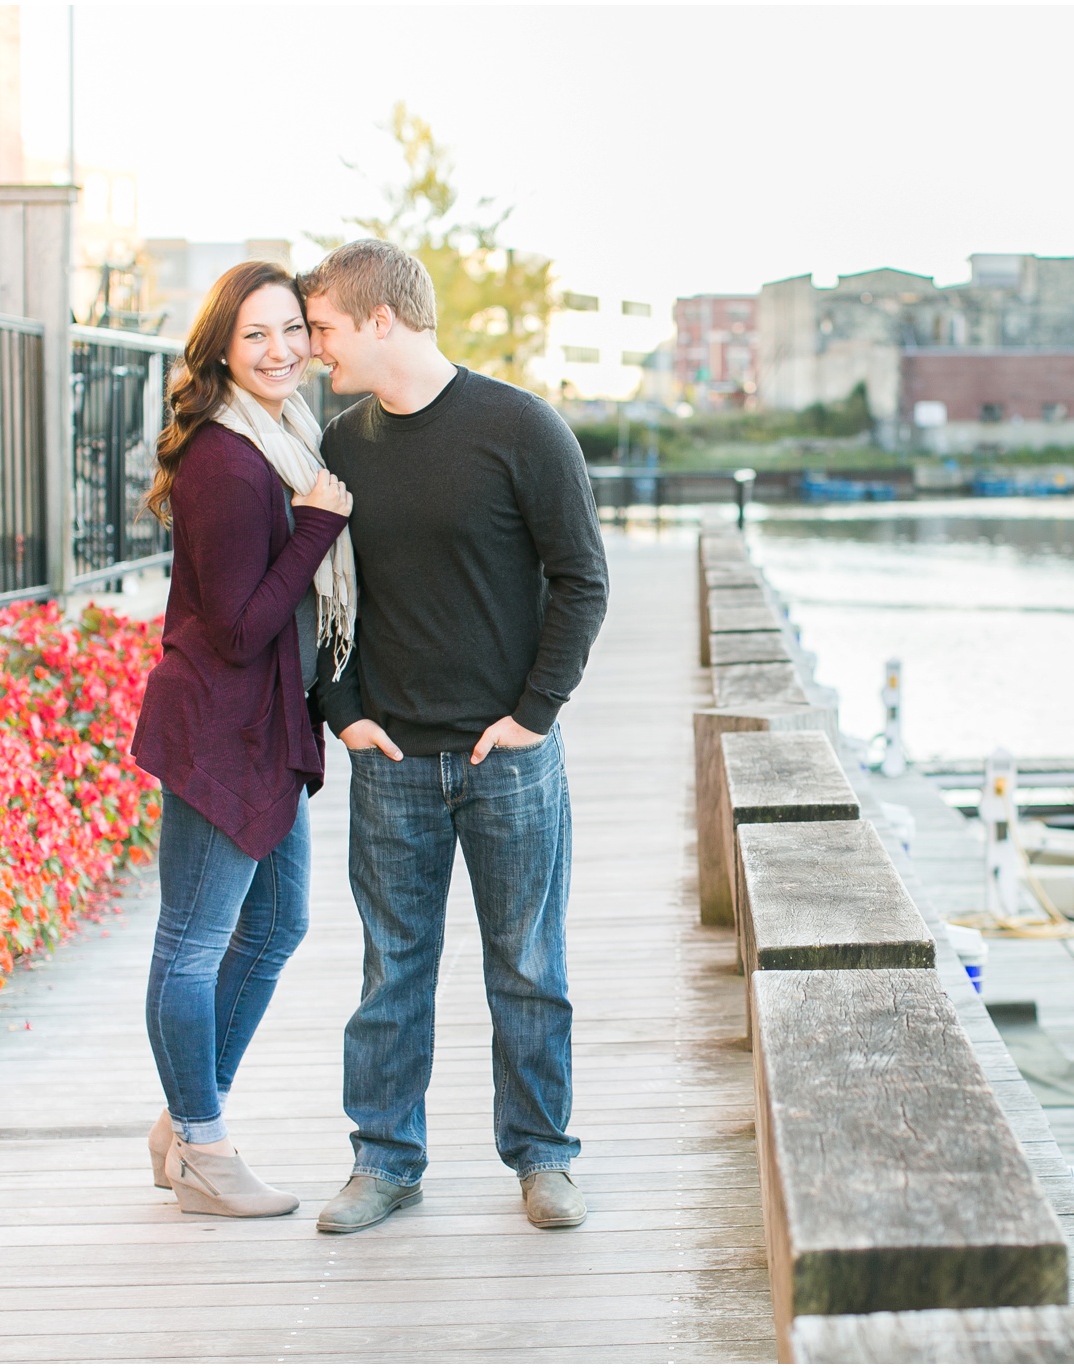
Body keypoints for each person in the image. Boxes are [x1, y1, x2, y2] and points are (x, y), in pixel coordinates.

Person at [299, 239, 608, 1235]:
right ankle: (383, 1163)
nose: (313, 350)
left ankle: (544, 1159)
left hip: (507, 758)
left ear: (379, 319)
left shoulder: (519, 427)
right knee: (391, 972)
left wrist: (535, 713)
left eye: (323, 329)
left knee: (527, 966)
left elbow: (580, 577)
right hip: (390, 763)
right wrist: (340, 709)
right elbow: (322, 588)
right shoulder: (338, 445)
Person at [130, 260, 355, 1218]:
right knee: (193, 943)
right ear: (223, 348)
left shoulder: (290, 438)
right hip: (221, 729)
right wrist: (314, 530)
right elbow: (234, 626)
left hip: (265, 724)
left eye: (293, 330)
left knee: (275, 924)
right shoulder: (227, 459)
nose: (281, 351)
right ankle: (207, 1146)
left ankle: (188, 1118)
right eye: (256, 334)